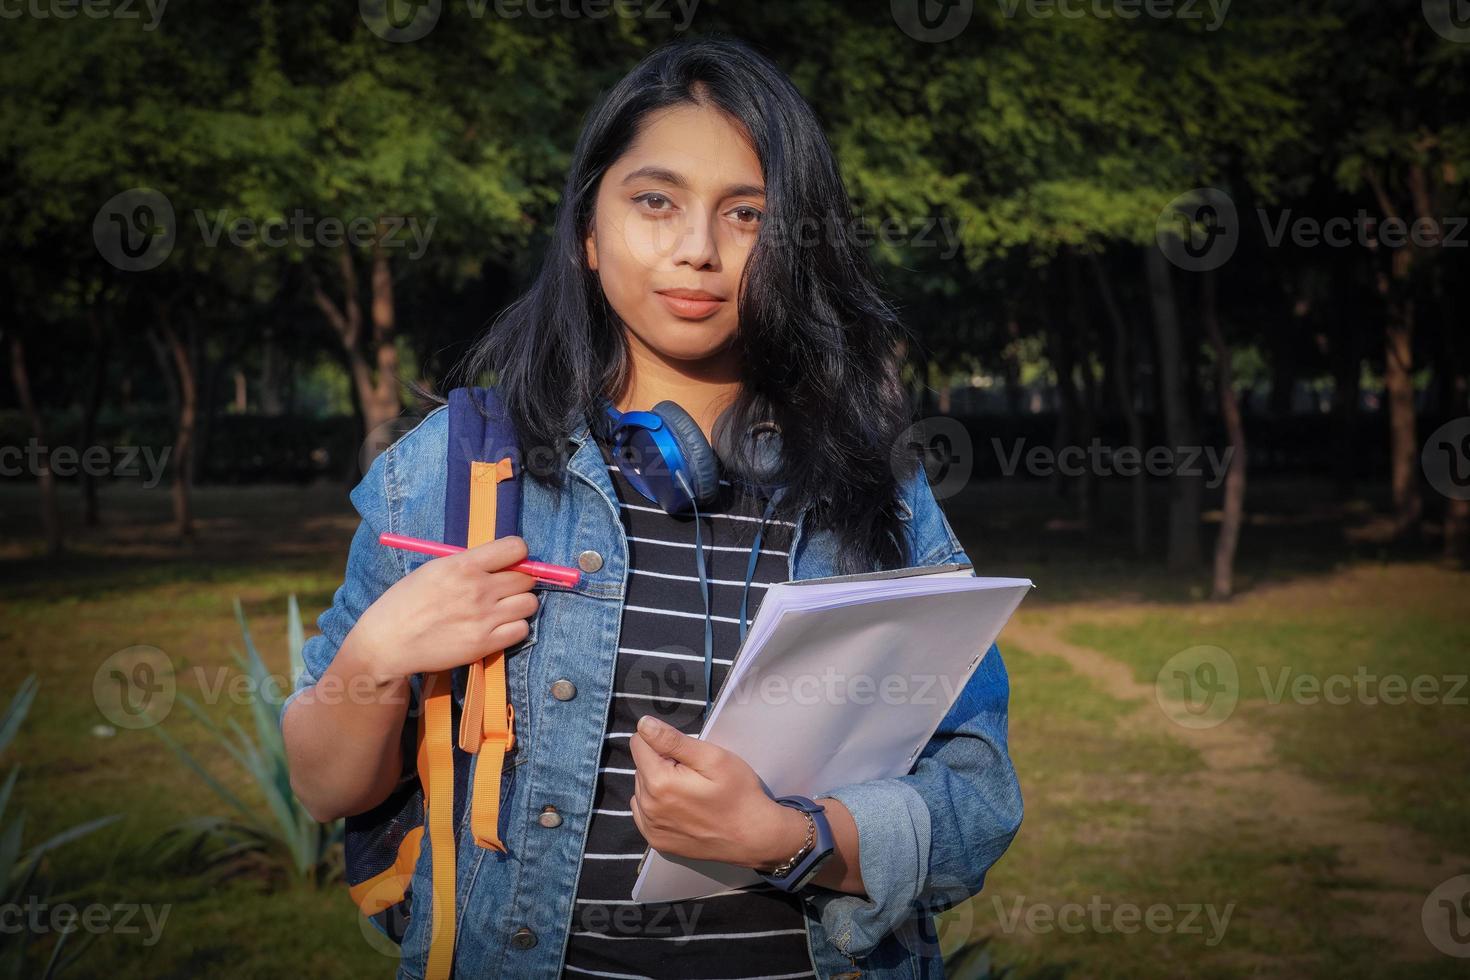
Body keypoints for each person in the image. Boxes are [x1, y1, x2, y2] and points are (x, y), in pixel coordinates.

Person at [282, 34, 1021, 980]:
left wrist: (793, 837)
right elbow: (322, 785)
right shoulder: (459, 471)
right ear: (589, 231)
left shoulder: (875, 491)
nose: (697, 250)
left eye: (747, 213)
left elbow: (979, 796)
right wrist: (376, 657)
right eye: (655, 201)